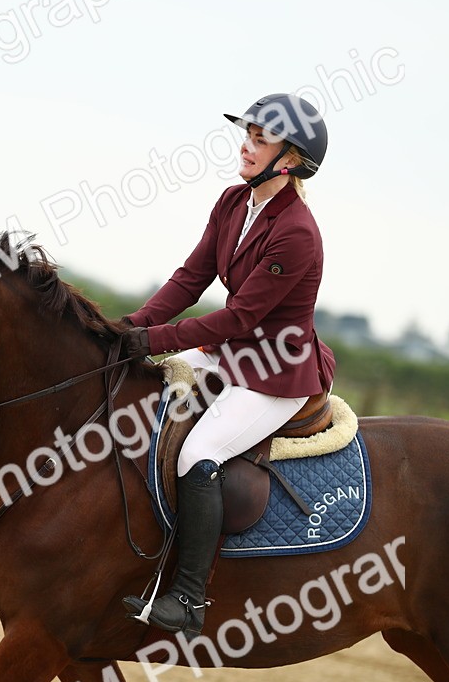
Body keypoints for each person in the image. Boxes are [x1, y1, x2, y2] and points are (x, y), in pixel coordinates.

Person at [119, 93, 337, 634]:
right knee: (144, 400)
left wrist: (154, 340)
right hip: (233, 352)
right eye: (249, 134)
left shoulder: (297, 233)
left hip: (274, 371)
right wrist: (130, 328)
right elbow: (191, 278)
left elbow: (239, 318)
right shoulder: (233, 203)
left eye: (261, 139)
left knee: (198, 453)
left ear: (290, 159)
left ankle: (190, 600)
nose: (247, 145)